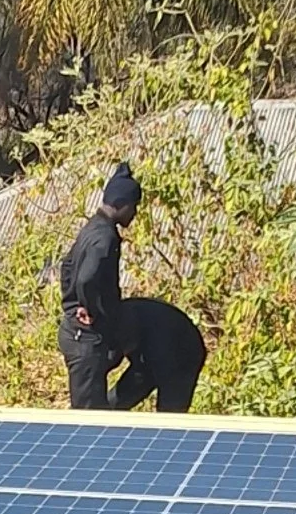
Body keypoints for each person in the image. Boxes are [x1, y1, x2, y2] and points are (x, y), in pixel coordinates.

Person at [57, 163, 141, 409]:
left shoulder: (92, 228)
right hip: (85, 340)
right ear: (121, 203)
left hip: (78, 332)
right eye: (134, 207)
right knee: (88, 420)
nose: (134, 213)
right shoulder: (105, 237)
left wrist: (72, 304)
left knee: (93, 412)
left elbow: (67, 266)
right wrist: (89, 309)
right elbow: (86, 278)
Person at [114, 293, 207, 414]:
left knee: (170, 412)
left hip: (181, 353)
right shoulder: (114, 320)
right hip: (147, 348)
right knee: (112, 405)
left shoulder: (164, 348)